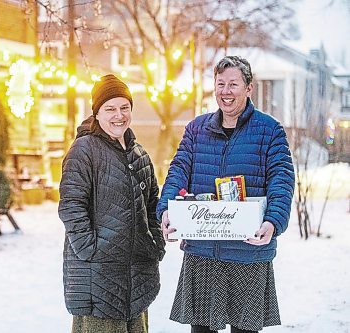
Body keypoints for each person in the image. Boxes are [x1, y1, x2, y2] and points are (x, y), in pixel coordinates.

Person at [157, 56, 295, 333]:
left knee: (245, 330)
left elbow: (282, 180)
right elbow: (178, 171)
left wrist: (273, 222)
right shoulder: (197, 129)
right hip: (204, 253)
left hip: (248, 252)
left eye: (233, 84)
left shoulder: (269, 130)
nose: (226, 92)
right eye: (221, 84)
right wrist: (166, 209)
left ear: (248, 88)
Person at [58, 74, 165, 333]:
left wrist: (155, 242)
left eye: (124, 108)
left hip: (136, 276)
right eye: (110, 109)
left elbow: (152, 204)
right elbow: (71, 206)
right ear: (97, 113)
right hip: (98, 280)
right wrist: (90, 251)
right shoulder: (84, 150)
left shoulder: (139, 155)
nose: (119, 115)